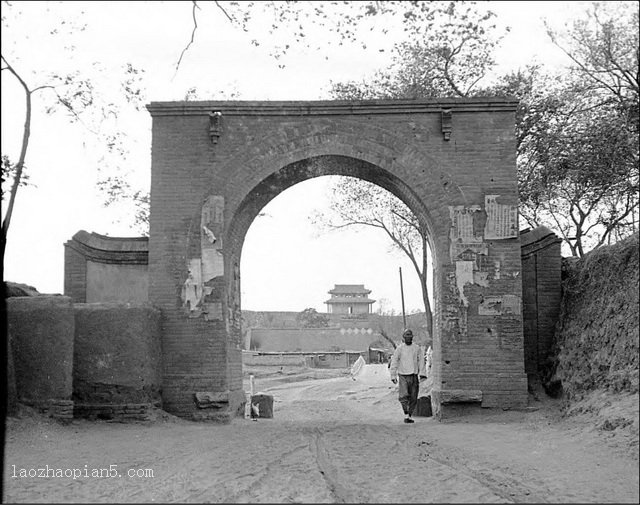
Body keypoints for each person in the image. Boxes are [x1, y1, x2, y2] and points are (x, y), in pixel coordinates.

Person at [389, 329, 426, 423]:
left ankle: (409, 415)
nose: (408, 337)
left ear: (412, 337)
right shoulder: (399, 349)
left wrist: (422, 373)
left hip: (414, 375)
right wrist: (393, 375)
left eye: (410, 335)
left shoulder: (417, 348)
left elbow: (421, 361)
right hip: (403, 375)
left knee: (413, 397)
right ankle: (406, 413)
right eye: (406, 335)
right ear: (403, 337)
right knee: (403, 396)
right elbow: (394, 362)